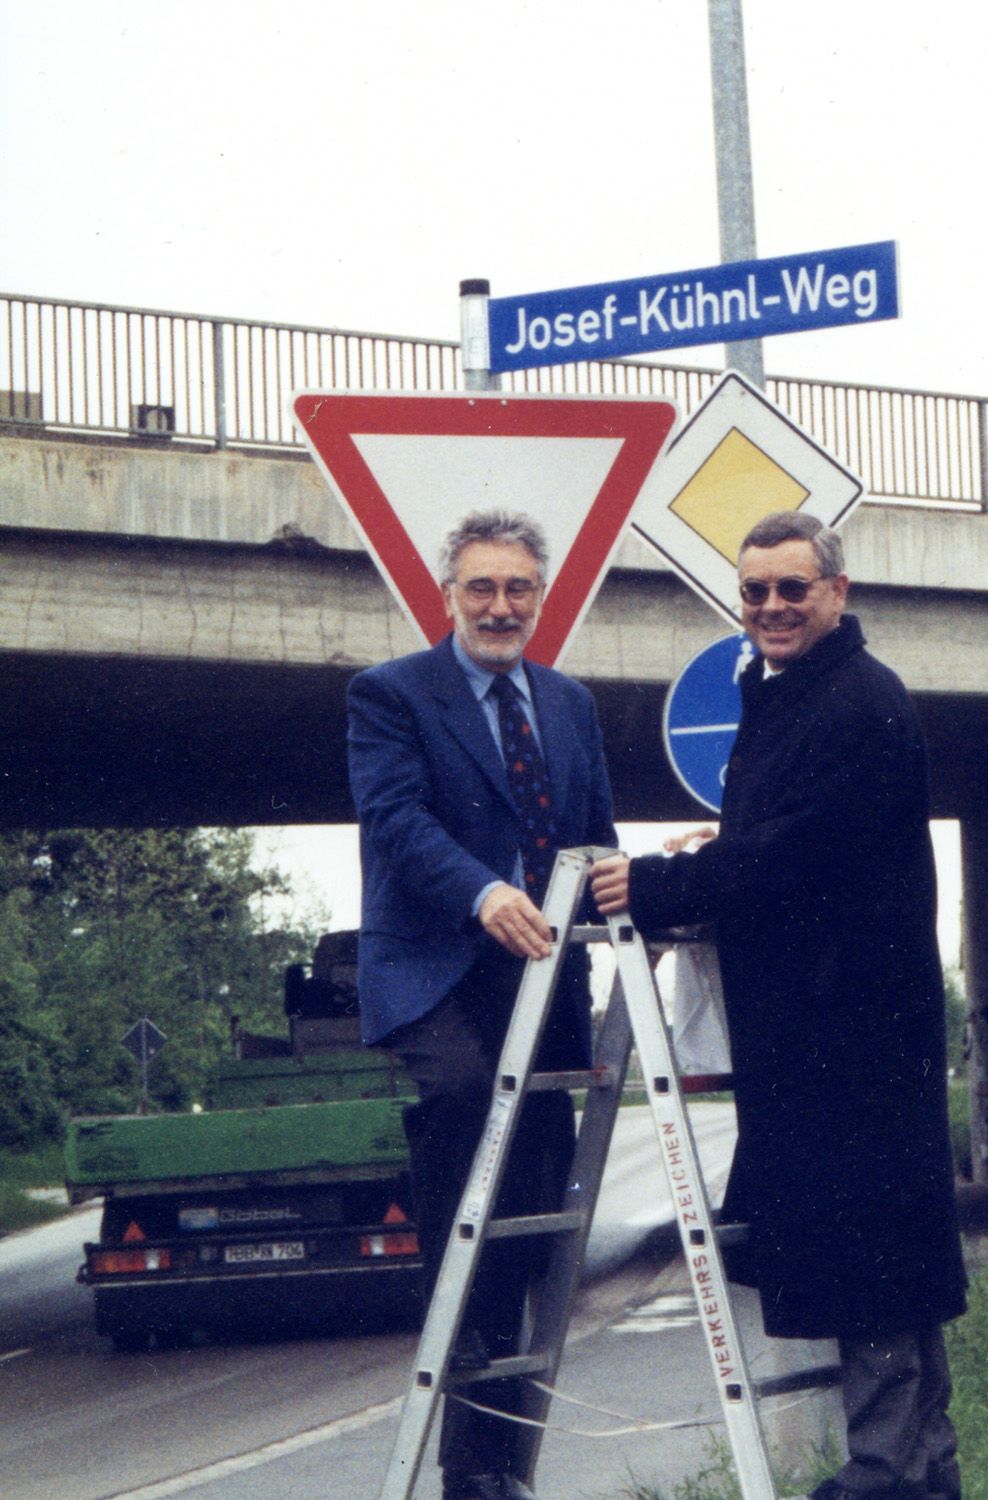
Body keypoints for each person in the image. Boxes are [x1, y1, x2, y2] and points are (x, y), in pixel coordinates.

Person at [591, 511, 966, 1500]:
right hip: (831, 1035)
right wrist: (711, 850)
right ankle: (919, 1474)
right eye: (754, 591)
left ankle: (886, 1477)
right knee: (882, 1260)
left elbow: (800, 853)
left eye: (791, 589)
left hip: (853, 1042)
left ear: (837, 592)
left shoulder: (855, 702)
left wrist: (665, 886)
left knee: (873, 1260)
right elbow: (785, 838)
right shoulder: (800, 695)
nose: (770, 607)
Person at [348, 510, 616, 1500]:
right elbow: (395, 821)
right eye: (481, 588)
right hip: (438, 971)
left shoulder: (571, 704)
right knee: (468, 1122)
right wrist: (483, 890)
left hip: (544, 982)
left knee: (537, 1209)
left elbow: (591, 837)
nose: (500, 606)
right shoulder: (389, 695)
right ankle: (460, 1409)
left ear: (542, 597)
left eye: (519, 589)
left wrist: (644, 886)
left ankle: (495, 1468)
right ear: (447, 594)